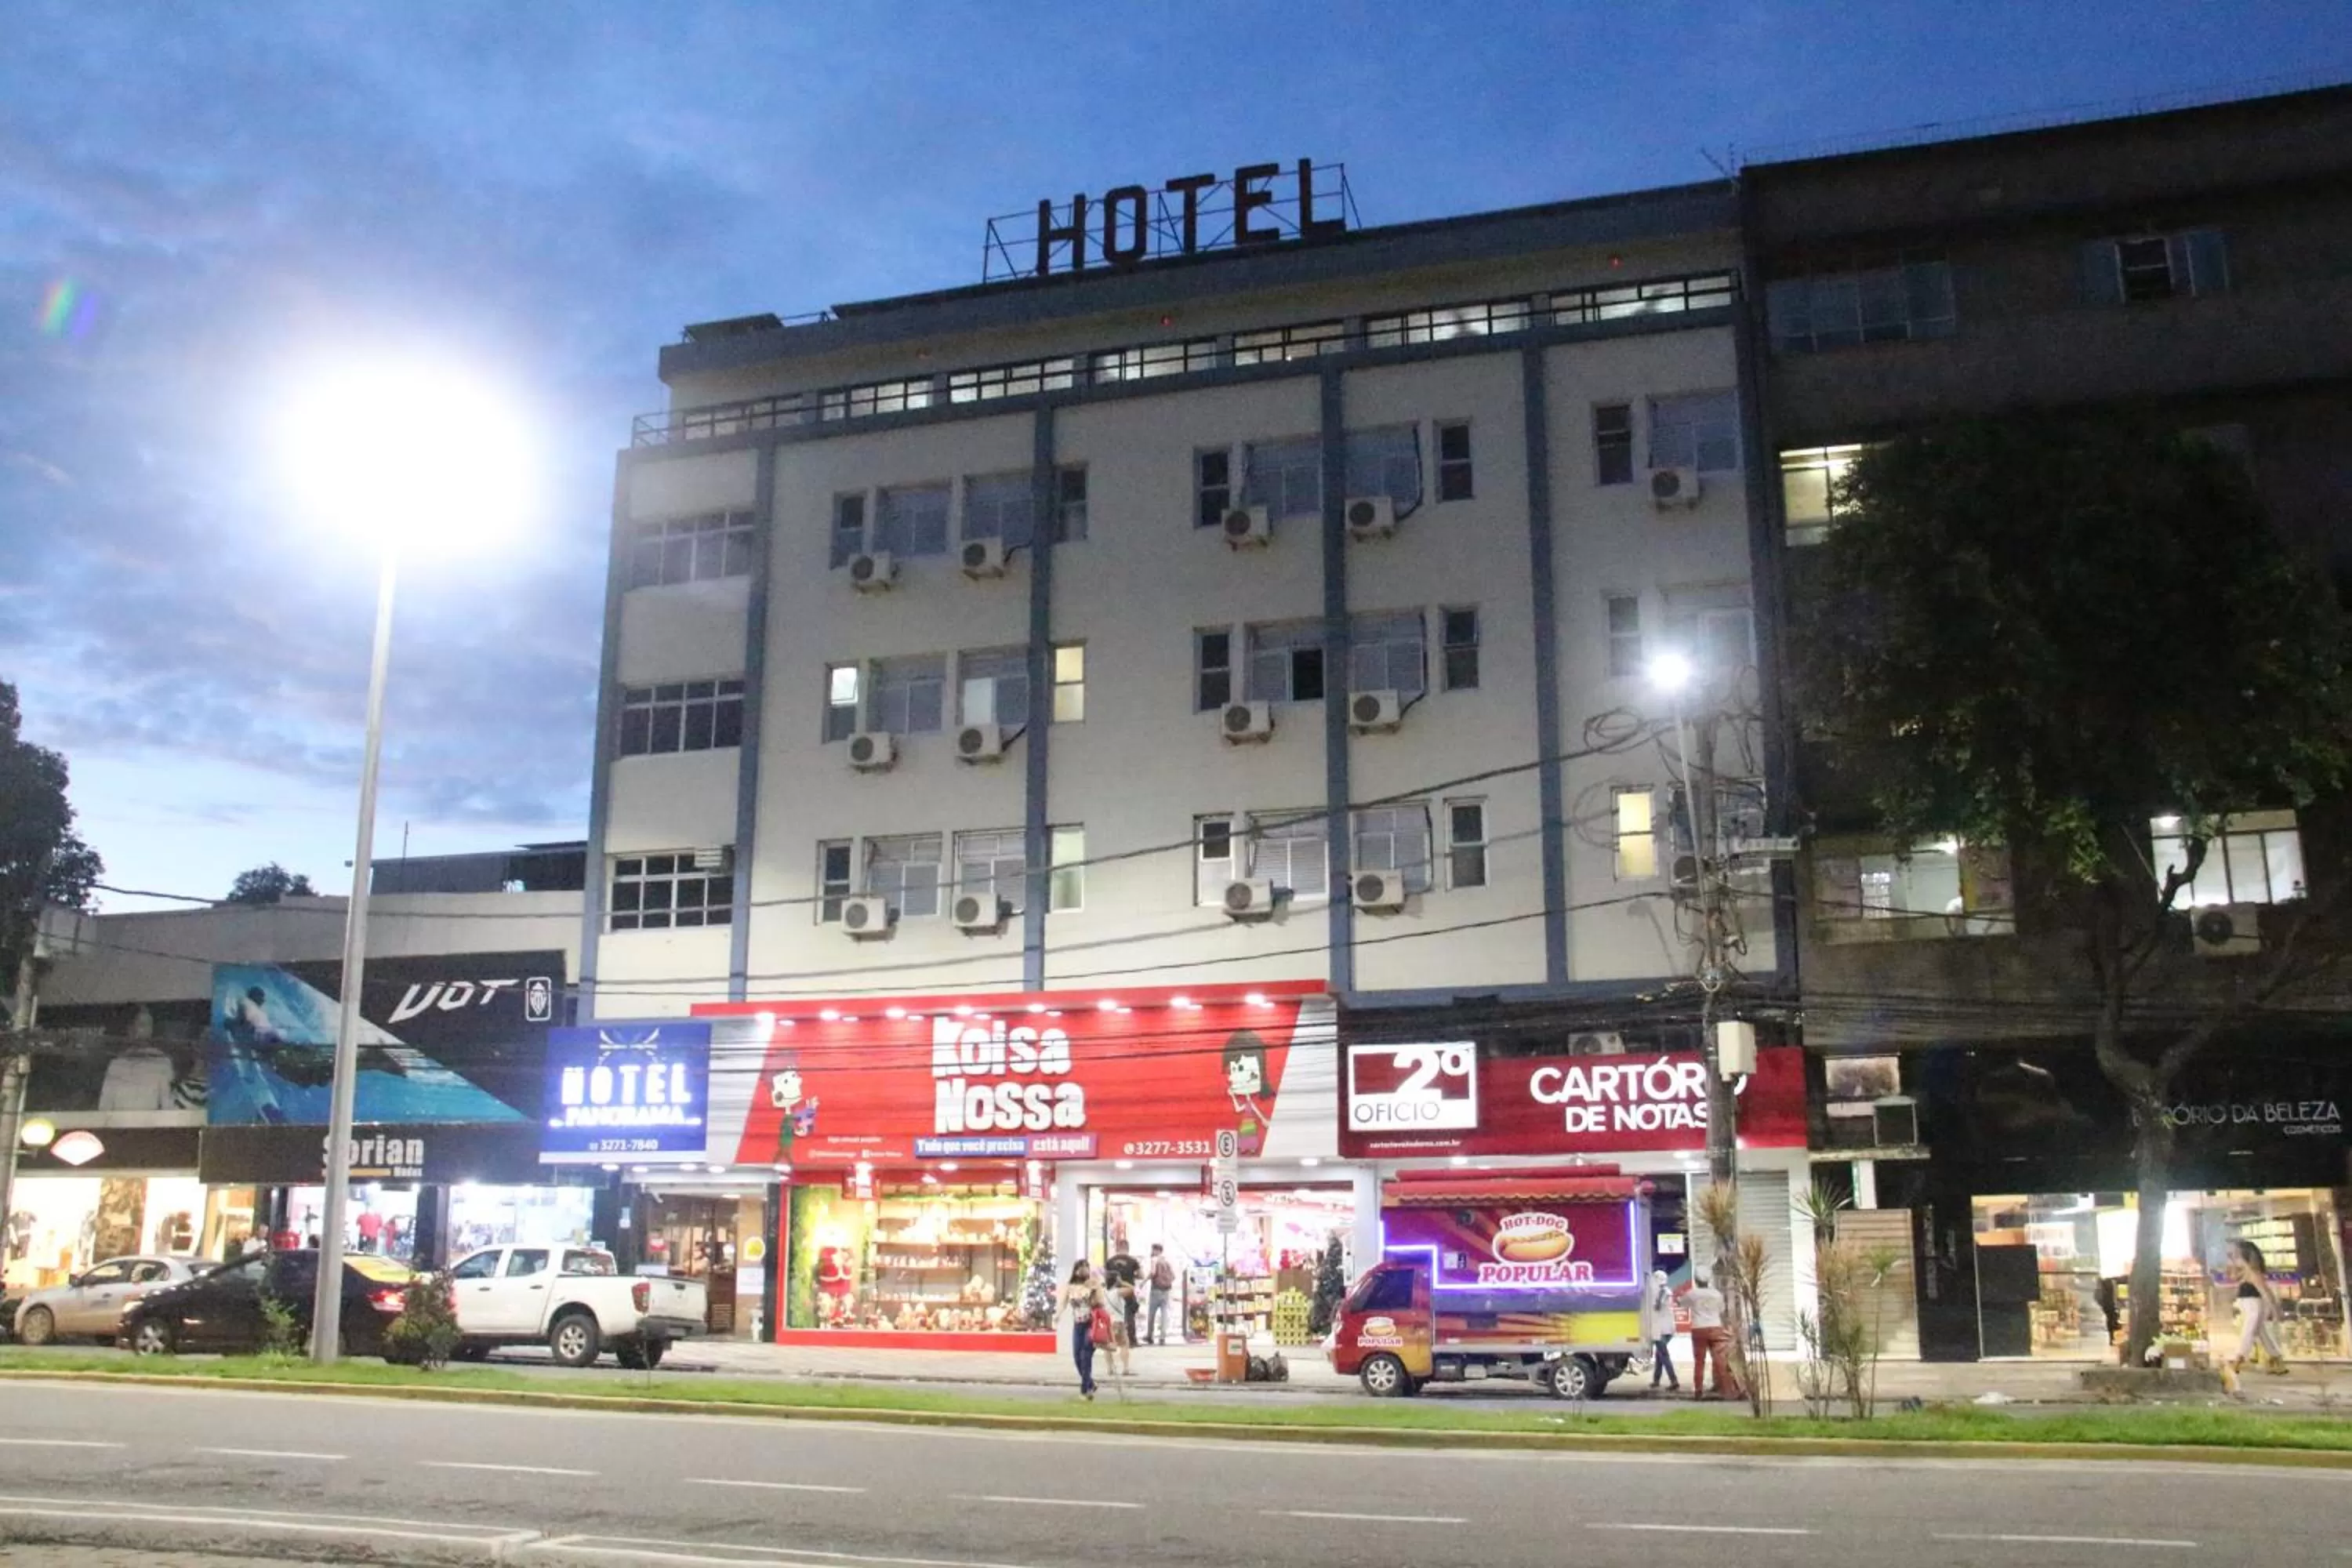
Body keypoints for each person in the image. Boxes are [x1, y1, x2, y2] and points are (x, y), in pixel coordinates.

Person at [2230, 1241, 2290, 1379]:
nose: (2234, 1257)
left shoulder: (2254, 1274)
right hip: (2250, 1308)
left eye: (2237, 1254)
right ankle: (2278, 1360)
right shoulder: (2247, 1272)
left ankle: (2238, 1361)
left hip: (2254, 1309)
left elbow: (2266, 1292)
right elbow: (2233, 1277)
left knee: (2248, 1333)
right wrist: (2234, 1263)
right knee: (2262, 1335)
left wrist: (2276, 1310)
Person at [1683, 1269, 1734, 1400]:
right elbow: (1721, 1310)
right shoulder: (1717, 1294)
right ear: (1709, 1280)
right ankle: (1726, 1391)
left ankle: (1698, 1391)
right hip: (1716, 1327)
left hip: (1699, 1329)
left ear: (1696, 1280)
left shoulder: (1692, 1294)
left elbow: (1683, 1304)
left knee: (1699, 1362)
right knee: (1720, 1361)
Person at [1061, 1261, 1109, 1400]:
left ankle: (1085, 1390)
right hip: (1078, 1324)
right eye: (1080, 1268)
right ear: (1075, 1271)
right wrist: (1057, 1316)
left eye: (1086, 1267)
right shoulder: (1070, 1287)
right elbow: (1063, 1302)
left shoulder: (1093, 1284)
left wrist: (1094, 1291)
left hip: (1091, 1323)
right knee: (1077, 1357)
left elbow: (1101, 1303)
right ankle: (1091, 1384)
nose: (1083, 1271)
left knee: (1085, 1355)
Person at [1646, 1269, 1681, 1393]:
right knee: (1660, 1355)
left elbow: (1657, 1306)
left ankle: (1674, 1381)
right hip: (1667, 1328)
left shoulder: (1662, 1292)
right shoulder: (1667, 1291)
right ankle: (1656, 1380)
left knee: (1663, 1355)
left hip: (1661, 1329)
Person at [1105, 1246, 1142, 1352]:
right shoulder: (1133, 1261)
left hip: (1113, 1291)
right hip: (1127, 1290)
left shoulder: (1110, 1261)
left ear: (1118, 1248)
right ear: (1127, 1248)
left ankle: (1112, 1340)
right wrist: (1131, 1276)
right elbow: (1141, 1275)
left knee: (1112, 1315)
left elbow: (1106, 1275)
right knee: (1129, 1315)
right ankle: (1131, 1340)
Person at [1146, 1244, 1177, 1345]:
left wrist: (1144, 1282)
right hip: (1166, 1291)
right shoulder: (1167, 1262)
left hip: (1156, 1290)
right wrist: (1165, 1282)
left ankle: (1150, 1336)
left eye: (1153, 1250)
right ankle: (1162, 1337)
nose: (1152, 1252)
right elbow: (1173, 1276)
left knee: (1152, 1314)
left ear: (1157, 1250)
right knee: (1164, 1314)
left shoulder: (1154, 1260)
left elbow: (1152, 1273)